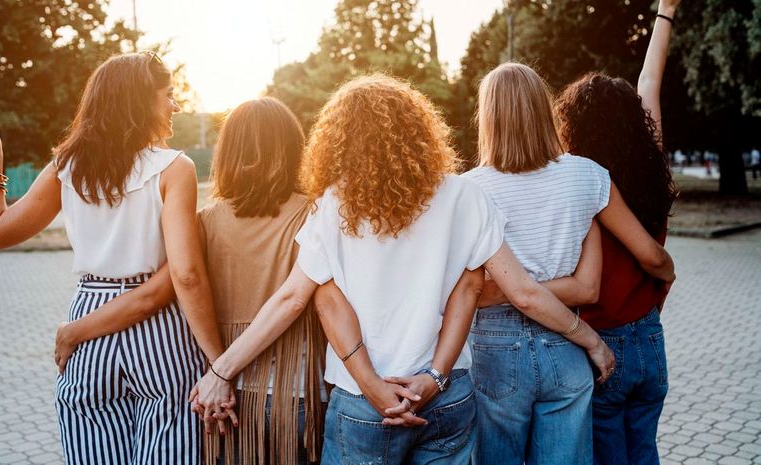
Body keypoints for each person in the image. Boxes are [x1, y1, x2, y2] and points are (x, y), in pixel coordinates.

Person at [189, 74, 615, 465]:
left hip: (362, 401)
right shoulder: (465, 196)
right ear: (419, 128)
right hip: (446, 395)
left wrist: (222, 369)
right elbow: (517, 291)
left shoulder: (332, 205)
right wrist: (589, 341)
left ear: (339, 139)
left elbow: (296, 299)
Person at [0, 52, 223, 465]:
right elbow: (185, 276)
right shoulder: (174, 168)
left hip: (89, 323)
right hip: (161, 330)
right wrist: (220, 363)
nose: (175, 105)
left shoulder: (66, 167)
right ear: (139, 101)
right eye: (167, 95)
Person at [53, 96, 328, 465]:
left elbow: (169, 287)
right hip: (297, 395)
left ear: (227, 153)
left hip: (221, 396)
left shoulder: (204, 223)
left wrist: (76, 330)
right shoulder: (315, 215)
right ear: (294, 150)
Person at [465, 62, 676, 465]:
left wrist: (505, 292)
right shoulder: (588, 177)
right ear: (542, 108)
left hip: (495, 351)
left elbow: (471, 292)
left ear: (487, 116)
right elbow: (587, 288)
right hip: (567, 346)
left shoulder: (468, 190)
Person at [555, 0, 681, 462]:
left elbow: (649, 258)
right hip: (650, 337)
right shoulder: (651, 168)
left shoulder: (584, 183)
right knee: (644, 451)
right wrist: (666, 12)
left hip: (602, 342)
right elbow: (649, 83)